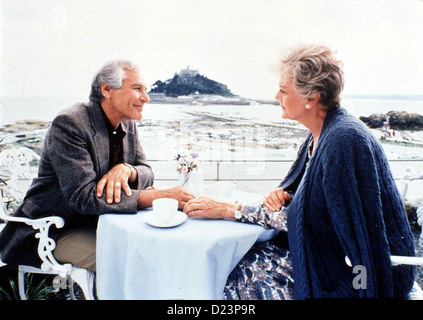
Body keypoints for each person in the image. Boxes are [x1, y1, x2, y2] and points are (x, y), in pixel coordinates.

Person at [184, 45, 416, 299]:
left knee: (234, 281)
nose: (276, 96)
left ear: (312, 98)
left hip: (363, 272)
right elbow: (320, 204)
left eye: (283, 90)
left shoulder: (344, 139)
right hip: (335, 254)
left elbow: (332, 224)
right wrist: (284, 194)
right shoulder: (319, 134)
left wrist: (232, 209)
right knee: (232, 265)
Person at [0, 60, 194, 272]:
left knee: (151, 251)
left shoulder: (127, 122)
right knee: (126, 264)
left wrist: (127, 170)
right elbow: (83, 197)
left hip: (100, 222)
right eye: (137, 89)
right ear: (107, 89)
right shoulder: (69, 123)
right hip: (52, 229)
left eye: (145, 90)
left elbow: (146, 172)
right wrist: (159, 197)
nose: (146, 98)